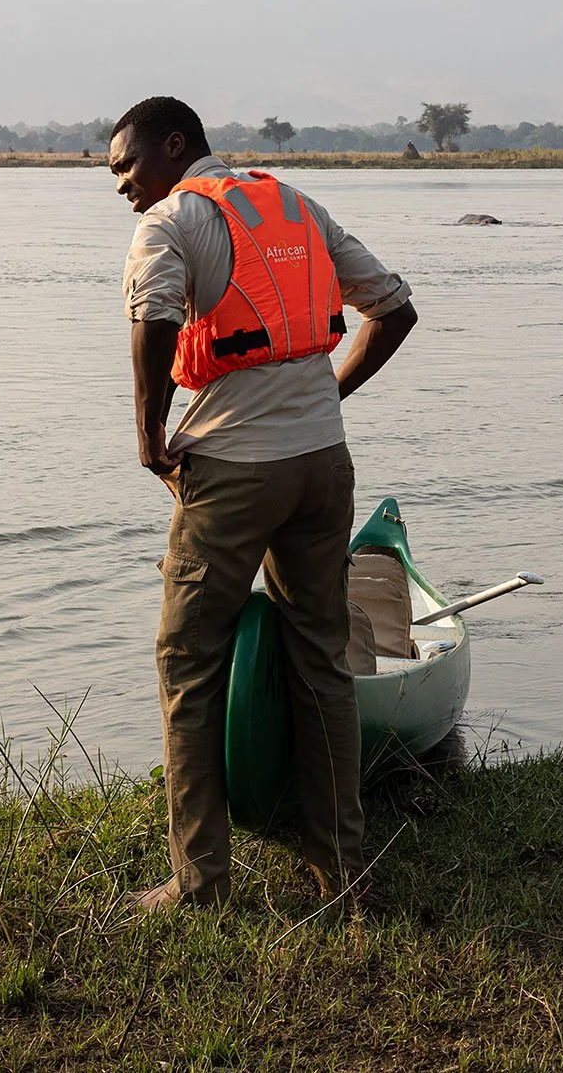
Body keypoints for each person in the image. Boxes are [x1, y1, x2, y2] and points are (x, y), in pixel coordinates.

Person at [111, 95, 418, 911]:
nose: (122, 187)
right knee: (321, 661)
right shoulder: (295, 205)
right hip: (323, 464)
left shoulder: (170, 222)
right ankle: (342, 874)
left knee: (188, 662)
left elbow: (154, 317)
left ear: (174, 146)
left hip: (234, 474)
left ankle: (199, 881)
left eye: (127, 166)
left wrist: (149, 431)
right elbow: (394, 307)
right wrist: (330, 396)